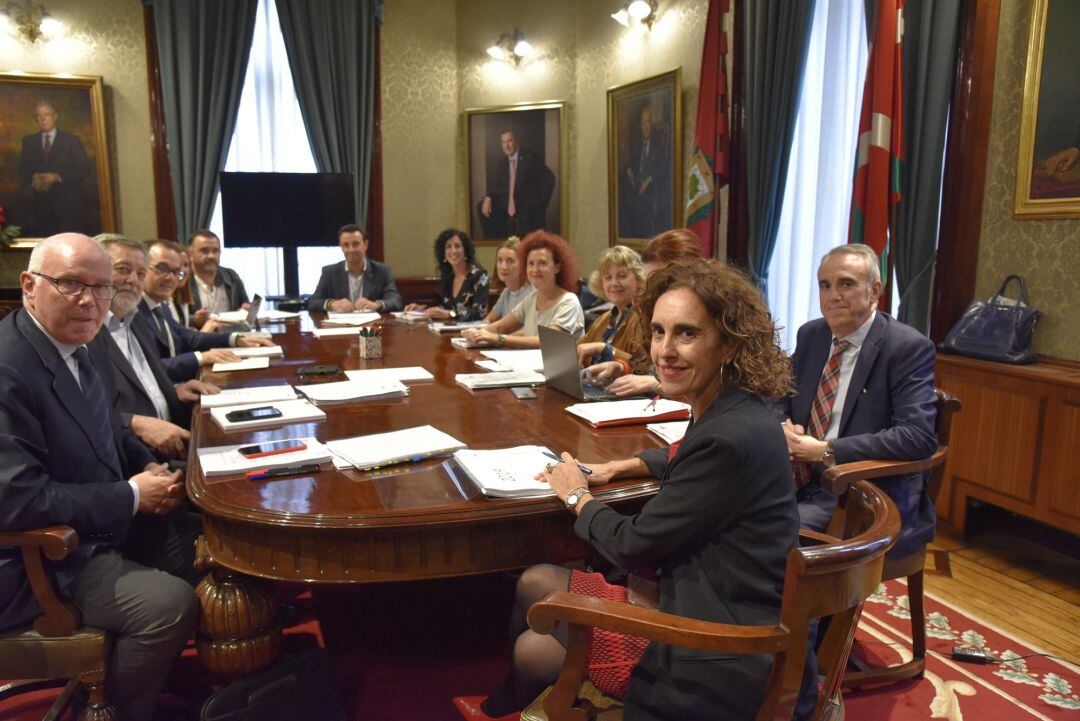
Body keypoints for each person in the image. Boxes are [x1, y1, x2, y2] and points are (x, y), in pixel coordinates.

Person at [455, 260, 798, 721]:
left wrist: (578, 495)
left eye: (687, 334)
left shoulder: (728, 438)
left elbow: (633, 546)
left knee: (533, 645)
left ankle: (511, 706)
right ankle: (505, 705)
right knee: (535, 578)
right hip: (707, 597)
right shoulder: (734, 409)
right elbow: (687, 453)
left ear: (729, 344)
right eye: (658, 332)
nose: (664, 351)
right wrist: (625, 464)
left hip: (713, 646)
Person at [0, 234, 199, 721]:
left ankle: (151, 675)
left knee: (205, 540)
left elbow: (107, 424)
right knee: (169, 605)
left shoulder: (80, 340)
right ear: (29, 285)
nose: (90, 301)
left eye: (102, 288)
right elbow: (17, 501)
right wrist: (131, 495)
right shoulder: (8, 369)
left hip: (99, 527)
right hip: (41, 562)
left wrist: (143, 468)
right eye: (71, 284)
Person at [776, 243, 938, 560]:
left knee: (770, 532)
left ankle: (808, 609)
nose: (833, 295)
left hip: (855, 491)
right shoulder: (812, 334)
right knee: (725, 507)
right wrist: (783, 426)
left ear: (874, 290)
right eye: (825, 285)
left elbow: (918, 437)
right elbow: (779, 394)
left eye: (846, 284)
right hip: (793, 475)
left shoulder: (906, 347)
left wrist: (825, 450)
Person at [96, 234, 220, 459]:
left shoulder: (136, 320)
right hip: (137, 459)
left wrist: (173, 391)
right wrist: (136, 425)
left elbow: (146, 384)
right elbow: (85, 411)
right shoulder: (85, 332)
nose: (133, 280)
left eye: (140, 273)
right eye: (123, 269)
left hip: (177, 439)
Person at [584, 229, 704, 396]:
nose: (652, 290)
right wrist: (621, 367)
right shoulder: (654, 312)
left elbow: (708, 388)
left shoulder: (706, 316)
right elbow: (646, 365)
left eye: (662, 281)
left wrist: (655, 383)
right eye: (650, 281)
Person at [139, 239, 274, 382]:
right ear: (141, 269)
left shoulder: (160, 306)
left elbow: (188, 337)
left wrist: (235, 339)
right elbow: (146, 370)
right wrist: (202, 357)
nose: (170, 278)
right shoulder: (134, 312)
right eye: (162, 268)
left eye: (175, 272)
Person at [461, 231, 583, 349]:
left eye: (542, 263)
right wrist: (475, 332)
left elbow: (546, 341)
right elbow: (500, 327)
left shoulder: (569, 302)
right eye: (531, 263)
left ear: (557, 267)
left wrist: (497, 338)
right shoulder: (532, 298)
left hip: (558, 370)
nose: (535, 269)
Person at [18, 100, 90, 236]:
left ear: (55, 117)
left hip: (68, 207)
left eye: (47, 114)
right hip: (40, 207)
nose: (43, 119)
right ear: (35, 119)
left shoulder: (71, 140)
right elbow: (23, 170)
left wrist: (57, 177)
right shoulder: (28, 141)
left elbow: (83, 170)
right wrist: (35, 178)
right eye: (39, 115)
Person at [575, 245, 647, 369]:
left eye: (622, 276)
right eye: (608, 277)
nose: (614, 283)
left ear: (639, 279)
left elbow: (644, 366)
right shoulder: (604, 318)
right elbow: (578, 348)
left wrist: (605, 349)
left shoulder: (644, 317)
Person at [477, 128, 556, 239]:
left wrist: (541, 202)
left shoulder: (530, 158)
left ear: (516, 141)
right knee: (481, 206)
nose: (506, 146)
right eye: (503, 142)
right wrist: (489, 197)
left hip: (527, 209)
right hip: (508, 209)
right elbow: (496, 187)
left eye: (509, 141)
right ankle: (492, 242)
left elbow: (549, 179)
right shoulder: (502, 164)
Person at [308, 224, 404, 313]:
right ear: (341, 247)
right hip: (339, 327)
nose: (351, 250)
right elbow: (313, 302)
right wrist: (331, 304)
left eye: (356, 244)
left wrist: (376, 305)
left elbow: (396, 300)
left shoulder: (382, 271)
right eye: (346, 245)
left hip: (371, 327)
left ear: (365, 244)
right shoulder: (329, 272)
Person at [404, 229, 490, 321]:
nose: (453, 251)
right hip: (448, 329)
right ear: (443, 253)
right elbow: (444, 307)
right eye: (448, 247)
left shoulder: (479, 275)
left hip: (471, 331)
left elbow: (480, 312)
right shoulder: (448, 276)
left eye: (457, 246)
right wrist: (421, 309)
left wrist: (451, 314)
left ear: (465, 251)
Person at [619, 105, 671, 238]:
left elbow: (664, 168)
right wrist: (628, 169)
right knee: (622, 184)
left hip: (652, 188)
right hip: (636, 185)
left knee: (641, 206)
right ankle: (626, 235)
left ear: (652, 124)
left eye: (648, 122)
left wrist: (649, 179)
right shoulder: (637, 145)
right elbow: (630, 163)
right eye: (643, 123)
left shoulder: (658, 145)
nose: (645, 126)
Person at [186, 229, 250, 327]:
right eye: (204, 251)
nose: (211, 256)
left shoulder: (231, 276)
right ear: (190, 255)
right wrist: (194, 320)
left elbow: (245, 304)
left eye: (215, 251)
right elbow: (173, 318)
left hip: (232, 337)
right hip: (198, 337)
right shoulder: (181, 279)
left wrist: (247, 310)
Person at [484, 236, 534, 324]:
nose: (503, 267)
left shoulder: (531, 293)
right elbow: (488, 320)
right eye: (500, 260)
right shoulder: (506, 292)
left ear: (523, 264)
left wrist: (494, 336)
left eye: (510, 261)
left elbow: (527, 331)